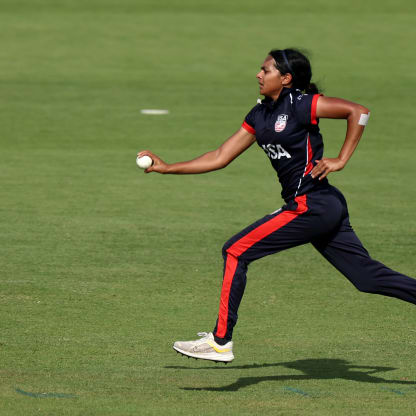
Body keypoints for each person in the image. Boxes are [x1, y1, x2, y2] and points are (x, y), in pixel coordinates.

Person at [137, 48, 416, 363]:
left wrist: (341, 159)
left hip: (311, 205)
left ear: (285, 78)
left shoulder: (302, 104)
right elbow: (220, 156)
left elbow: (359, 112)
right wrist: (167, 167)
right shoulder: (260, 115)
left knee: (235, 250)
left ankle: (220, 341)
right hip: (321, 206)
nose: (258, 74)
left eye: (266, 70)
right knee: (367, 278)